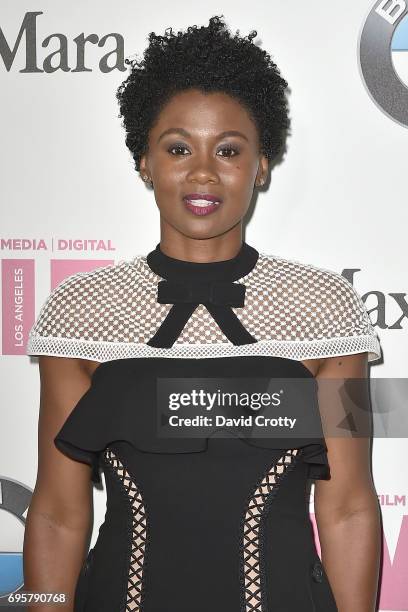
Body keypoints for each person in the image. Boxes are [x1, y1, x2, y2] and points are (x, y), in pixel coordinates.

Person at [23, 15, 382, 612]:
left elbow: (347, 505)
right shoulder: (80, 310)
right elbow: (58, 513)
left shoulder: (326, 308)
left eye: (230, 150)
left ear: (261, 167)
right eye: (179, 147)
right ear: (146, 163)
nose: (203, 172)